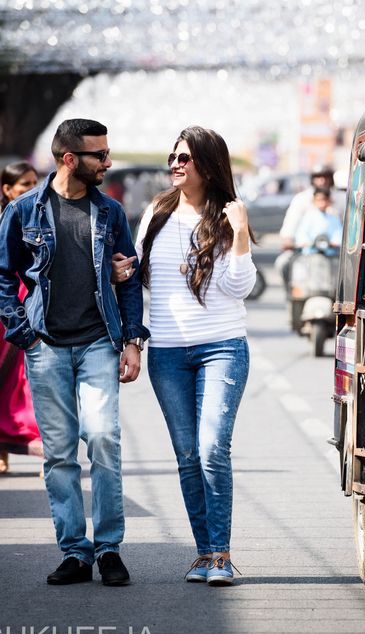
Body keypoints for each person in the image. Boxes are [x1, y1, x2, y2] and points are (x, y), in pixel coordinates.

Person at [0, 118, 148, 587]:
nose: (108, 162)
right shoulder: (24, 211)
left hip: (100, 340)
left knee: (102, 439)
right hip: (47, 346)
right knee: (59, 453)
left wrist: (132, 340)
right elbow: (1, 275)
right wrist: (23, 333)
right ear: (69, 159)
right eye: (99, 155)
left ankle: (109, 548)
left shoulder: (111, 213)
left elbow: (129, 275)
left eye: (107, 152)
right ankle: (75, 552)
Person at [138, 126, 257, 586]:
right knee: (187, 454)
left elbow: (237, 287)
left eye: (184, 158)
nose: (175, 164)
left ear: (207, 165)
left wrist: (241, 232)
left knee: (211, 448)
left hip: (222, 346)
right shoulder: (156, 212)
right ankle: (204, 553)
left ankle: (222, 554)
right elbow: (143, 278)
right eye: (173, 157)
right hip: (167, 351)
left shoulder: (227, 216)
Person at [0, 162, 45, 476]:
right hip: (3, 315)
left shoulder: (43, 221)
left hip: (38, 311)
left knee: (34, 383)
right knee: (1, 385)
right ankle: (1, 452)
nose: (33, 187)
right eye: (24, 184)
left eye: (35, 181)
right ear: (7, 190)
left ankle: (45, 447)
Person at [275, 164, 341, 289]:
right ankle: (293, 298)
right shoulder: (301, 199)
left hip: (335, 253)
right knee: (282, 263)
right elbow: (290, 227)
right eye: (318, 177)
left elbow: (345, 229)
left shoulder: (342, 198)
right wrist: (290, 241)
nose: (322, 181)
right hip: (306, 252)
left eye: (325, 177)